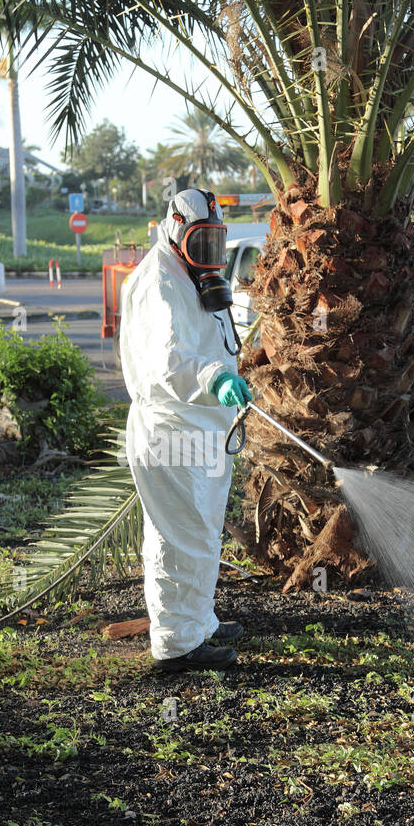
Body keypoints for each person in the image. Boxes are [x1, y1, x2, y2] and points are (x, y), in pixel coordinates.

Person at [119, 187, 252, 669]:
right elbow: (167, 361)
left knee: (201, 532)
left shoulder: (186, 274)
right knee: (180, 536)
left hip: (198, 431)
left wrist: (227, 373)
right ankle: (177, 645)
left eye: (216, 244)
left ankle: (199, 621)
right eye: (202, 245)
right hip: (171, 432)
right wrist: (216, 379)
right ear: (176, 232)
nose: (210, 258)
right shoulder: (159, 280)